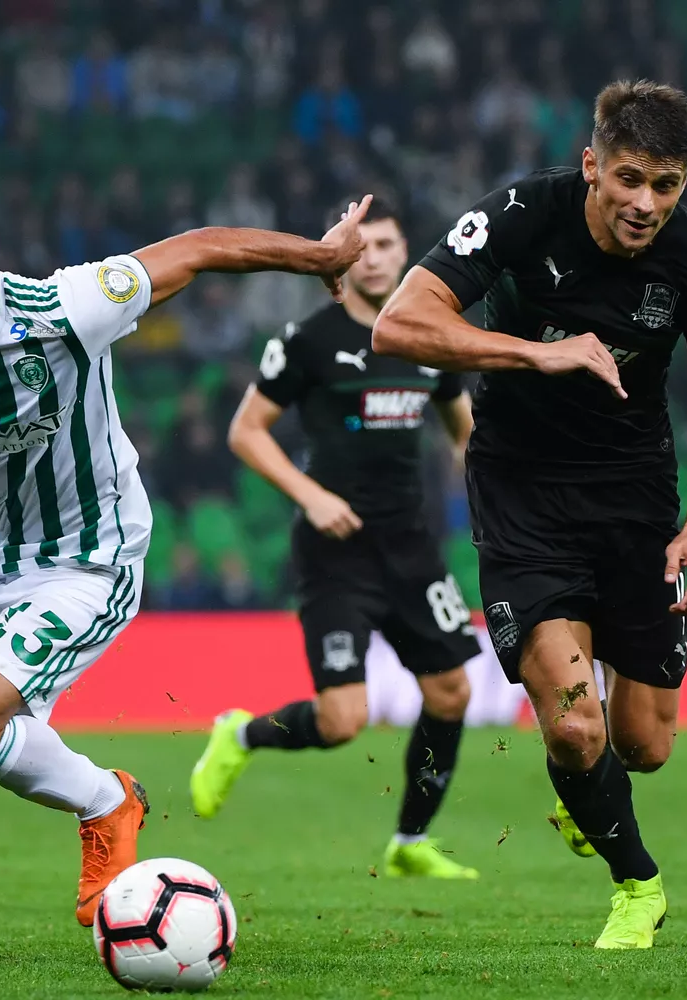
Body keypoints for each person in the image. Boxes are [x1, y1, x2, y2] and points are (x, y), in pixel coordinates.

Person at [0, 169, 368, 961]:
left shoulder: (68, 307)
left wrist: (317, 257)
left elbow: (202, 247)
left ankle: (108, 801)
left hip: (88, 557)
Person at [372, 80, 687, 948]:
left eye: (665, 185)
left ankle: (584, 790)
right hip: (522, 496)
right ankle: (638, 886)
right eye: (628, 179)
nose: (644, 203)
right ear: (591, 166)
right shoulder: (519, 216)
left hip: (635, 500)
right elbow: (400, 324)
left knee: (643, 746)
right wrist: (533, 355)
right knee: (578, 727)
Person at [189, 198, 482, 881]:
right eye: (363, 246)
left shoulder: (431, 337)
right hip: (337, 553)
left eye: (387, 245)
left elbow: (463, 433)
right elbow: (246, 432)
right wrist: (312, 496)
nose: (375, 258)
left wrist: (490, 496)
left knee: (451, 693)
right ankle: (241, 734)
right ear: (342, 256)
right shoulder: (309, 340)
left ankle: (410, 842)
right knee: (344, 720)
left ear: (406, 253)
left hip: (410, 545)